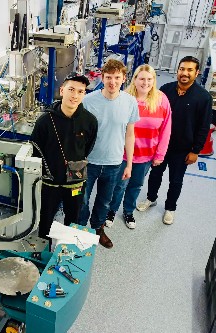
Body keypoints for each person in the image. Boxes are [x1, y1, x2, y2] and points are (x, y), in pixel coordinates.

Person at [137, 56, 212, 224]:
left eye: (189, 70)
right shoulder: (165, 90)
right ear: (177, 70)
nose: (184, 73)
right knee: (155, 175)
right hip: (160, 145)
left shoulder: (203, 97)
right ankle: (151, 198)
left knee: (176, 180)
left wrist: (195, 151)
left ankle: (170, 207)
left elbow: (203, 127)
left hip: (183, 149)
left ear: (196, 72)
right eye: (182, 69)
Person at [79, 59, 139, 249]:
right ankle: (80, 230)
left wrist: (128, 164)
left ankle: (98, 228)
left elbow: (130, 134)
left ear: (123, 78)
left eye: (117, 77)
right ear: (102, 78)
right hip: (89, 162)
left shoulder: (130, 102)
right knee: (82, 200)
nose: (112, 82)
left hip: (114, 162)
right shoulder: (88, 101)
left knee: (104, 202)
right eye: (108, 77)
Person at [30, 73, 98, 242]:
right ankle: (43, 249)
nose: (75, 95)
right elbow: (36, 149)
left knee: (73, 218)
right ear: (62, 91)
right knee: (46, 217)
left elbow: (87, 148)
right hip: (50, 181)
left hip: (76, 180)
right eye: (71, 89)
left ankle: (66, 248)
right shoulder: (45, 121)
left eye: (80, 91)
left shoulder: (90, 121)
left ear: (84, 94)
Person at [105, 64, 172, 229]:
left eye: (150, 79)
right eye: (141, 78)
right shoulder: (124, 97)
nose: (145, 82)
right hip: (122, 154)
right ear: (134, 80)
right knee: (119, 185)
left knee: (136, 185)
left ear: (154, 81)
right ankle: (111, 211)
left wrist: (160, 155)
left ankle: (128, 211)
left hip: (146, 155)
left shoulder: (161, 100)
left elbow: (166, 129)